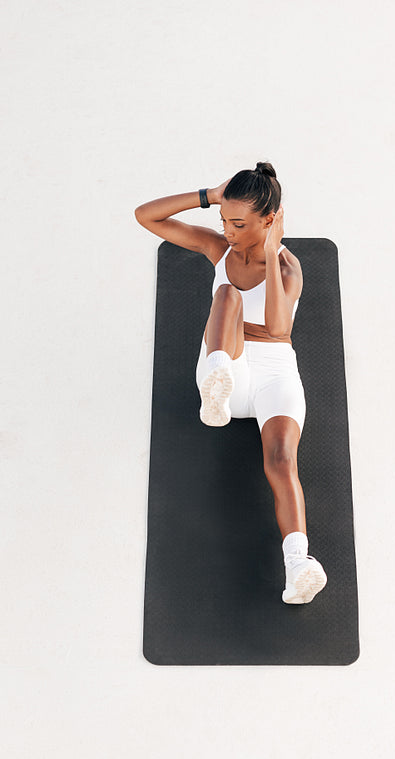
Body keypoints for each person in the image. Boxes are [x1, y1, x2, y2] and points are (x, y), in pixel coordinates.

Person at [135, 162, 327, 604]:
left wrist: (276, 250)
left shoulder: (290, 270)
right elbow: (146, 216)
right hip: (228, 366)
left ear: (270, 219)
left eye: (239, 224)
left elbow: (279, 328)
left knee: (281, 461)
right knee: (227, 295)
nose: (229, 231)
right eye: (224, 220)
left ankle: (298, 563)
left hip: (275, 373)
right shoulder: (219, 249)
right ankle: (216, 381)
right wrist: (209, 194)